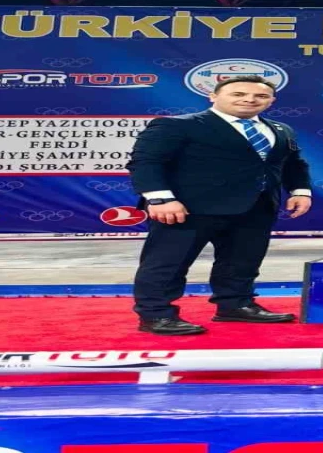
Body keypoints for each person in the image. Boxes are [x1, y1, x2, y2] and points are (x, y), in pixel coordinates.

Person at [128, 75, 312, 335]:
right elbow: (146, 162)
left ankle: (235, 305)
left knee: (243, 262)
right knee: (168, 263)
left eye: (260, 96)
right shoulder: (176, 125)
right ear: (213, 96)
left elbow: (293, 163)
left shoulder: (281, 130)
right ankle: (156, 315)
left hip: (256, 207)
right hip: (187, 208)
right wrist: (160, 198)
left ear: (271, 100)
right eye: (238, 94)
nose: (249, 99)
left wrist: (300, 190)